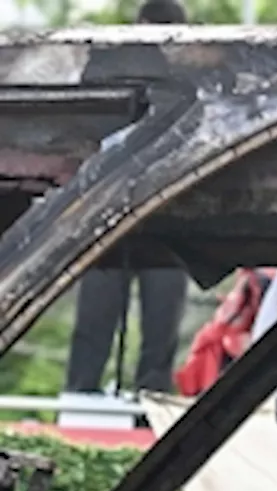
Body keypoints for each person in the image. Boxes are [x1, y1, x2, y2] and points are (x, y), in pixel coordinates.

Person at [63, 0, 192, 396]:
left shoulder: (190, 76)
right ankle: (80, 398)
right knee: (97, 319)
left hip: (167, 212)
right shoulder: (109, 66)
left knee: (161, 324)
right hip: (111, 209)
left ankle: (148, 405)